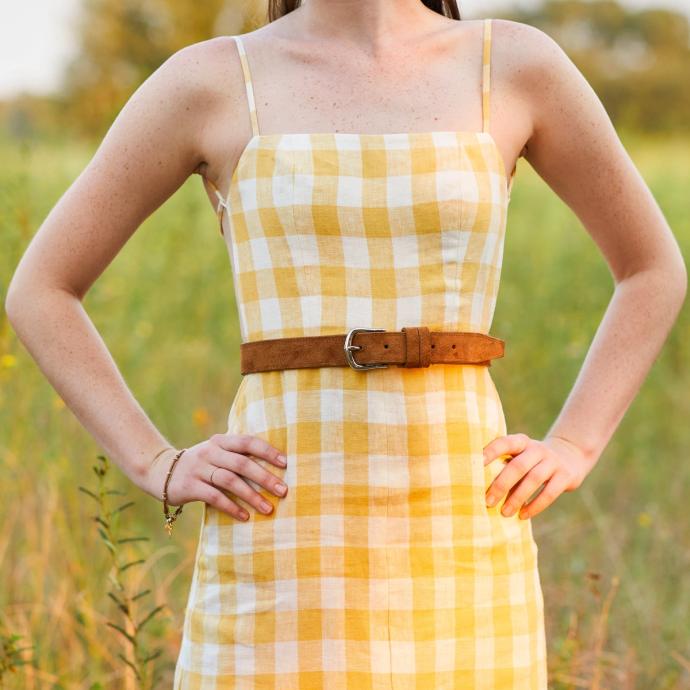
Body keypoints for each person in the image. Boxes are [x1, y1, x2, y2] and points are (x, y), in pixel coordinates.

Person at [5, 1, 686, 688]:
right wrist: (156, 461)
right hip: (279, 529)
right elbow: (42, 289)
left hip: (462, 524)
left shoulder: (511, 65)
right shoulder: (212, 79)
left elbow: (652, 268)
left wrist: (575, 443)